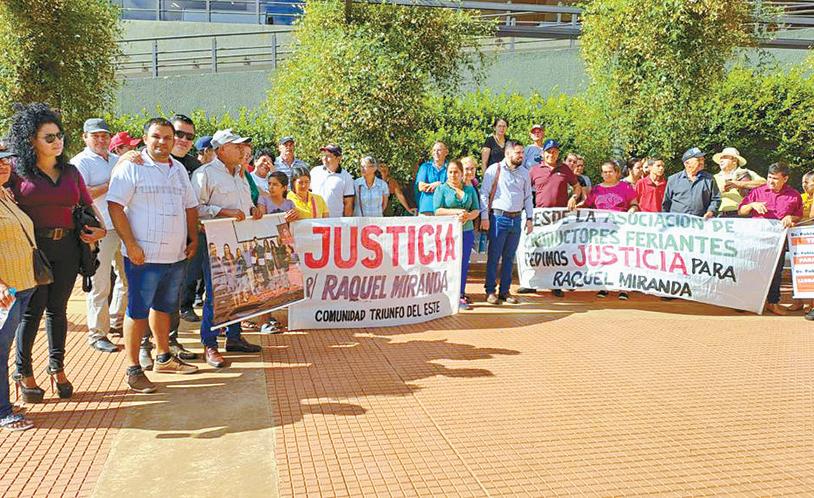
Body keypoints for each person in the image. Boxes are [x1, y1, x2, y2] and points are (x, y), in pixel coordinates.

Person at [6, 103, 107, 401]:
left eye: (59, 135)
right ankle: (23, 372)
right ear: (31, 140)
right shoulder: (16, 171)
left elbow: (88, 204)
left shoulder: (71, 172)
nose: (57, 141)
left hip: (68, 248)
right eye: (49, 137)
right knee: (32, 312)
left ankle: (57, 368)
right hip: (32, 250)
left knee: (57, 310)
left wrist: (101, 229)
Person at [107, 118, 201, 392]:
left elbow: (190, 206)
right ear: (145, 139)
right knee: (137, 311)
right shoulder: (131, 166)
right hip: (143, 257)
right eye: (156, 136)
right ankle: (133, 369)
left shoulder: (179, 169)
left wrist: (193, 237)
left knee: (164, 308)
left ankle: (163, 358)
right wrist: (130, 244)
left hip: (175, 255)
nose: (162, 142)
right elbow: (115, 206)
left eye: (168, 137)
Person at [192, 129, 265, 368]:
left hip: (242, 242)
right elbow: (195, 208)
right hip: (216, 242)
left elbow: (246, 204)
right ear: (222, 150)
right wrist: (223, 212)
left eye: (243, 146)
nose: (243, 150)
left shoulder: (241, 174)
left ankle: (234, 337)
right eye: (237, 146)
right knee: (217, 294)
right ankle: (209, 343)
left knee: (240, 290)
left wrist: (254, 209)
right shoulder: (204, 174)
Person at [71, 118, 126, 354]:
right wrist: (110, 184)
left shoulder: (116, 159)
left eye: (104, 135)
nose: (101, 140)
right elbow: (81, 195)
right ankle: (97, 334)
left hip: (123, 226)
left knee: (127, 278)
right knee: (100, 283)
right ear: (85, 137)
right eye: (95, 135)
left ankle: (117, 321)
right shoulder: (79, 162)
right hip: (99, 229)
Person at [0, 146, 37, 430]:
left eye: (5, 160)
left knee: (5, 348)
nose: (3, 165)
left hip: (22, 285)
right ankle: (3, 412)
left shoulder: (5, 194)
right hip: (6, 291)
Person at [737, 162, 803, 316]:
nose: (771, 181)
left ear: (785, 179)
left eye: (775, 178)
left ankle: (773, 302)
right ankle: (747, 301)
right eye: (769, 177)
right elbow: (741, 211)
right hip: (755, 240)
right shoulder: (757, 191)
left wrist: (790, 217)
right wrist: (752, 205)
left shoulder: (794, 195)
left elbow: (798, 215)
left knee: (776, 271)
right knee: (750, 269)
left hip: (778, 242)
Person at [525, 139, 583, 296]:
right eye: (549, 152)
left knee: (555, 251)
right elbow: (524, 189)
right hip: (540, 217)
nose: (552, 154)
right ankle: (532, 283)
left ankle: (554, 284)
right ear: (543, 153)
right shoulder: (534, 170)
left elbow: (577, 187)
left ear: (558, 153)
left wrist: (573, 197)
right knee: (536, 250)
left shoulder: (565, 169)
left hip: (559, 218)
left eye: (555, 152)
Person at [480, 141, 533, 305]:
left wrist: (529, 218)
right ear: (507, 153)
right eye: (518, 153)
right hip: (498, 218)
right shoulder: (494, 169)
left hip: (516, 219)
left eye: (522, 153)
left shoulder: (525, 173)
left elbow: (528, 197)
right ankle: (490, 291)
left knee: (509, 258)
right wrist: (484, 217)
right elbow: (484, 193)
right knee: (494, 256)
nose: (521, 156)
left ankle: (505, 291)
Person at [580, 161, 639, 300]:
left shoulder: (625, 187)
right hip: (601, 231)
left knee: (622, 257)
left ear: (617, 172)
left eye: (610, 171)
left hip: (621, 229)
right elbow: (587, 205)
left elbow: (634, 204)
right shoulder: (596, 189)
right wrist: (573, 207)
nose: (607, 174)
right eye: (604, 172)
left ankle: (623, 288)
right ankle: (604, 286)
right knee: (604, 257)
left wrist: (632, 210)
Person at [434, 160, 480, 310]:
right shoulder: (441, 189)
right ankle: (445, 294)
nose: (453, 175)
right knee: (448, 263)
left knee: (463, 263)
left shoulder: (470, 189)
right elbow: (437, 210)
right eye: (450, 172)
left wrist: (468, 216)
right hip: (448, 233)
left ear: (461, 173)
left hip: (466, 231)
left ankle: (460, 294)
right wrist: (456, 212)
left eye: (456, 172)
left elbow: (476, 210)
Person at [662, 147, 721, 218]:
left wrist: (711, 211)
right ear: (686, 163)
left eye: (702, 159)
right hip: (677, 222)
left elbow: (716, 199)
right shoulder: (673, 179)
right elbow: (666, 203)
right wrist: (665, 219)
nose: (702, 162)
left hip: (700, 221)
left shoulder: (709, 179)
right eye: (698, 160)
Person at [712, 147, 766, 217]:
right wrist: (718, 192)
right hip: (718, 216)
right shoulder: (714, 177)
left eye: (725, 157)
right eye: (721, 158)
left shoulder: (745, 173)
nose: (721, 160)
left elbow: (764, 183)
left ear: (734, 160)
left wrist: (740, 184)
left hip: (741, 214)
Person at [310, 144, 354, 217]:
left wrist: (346, 222)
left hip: (335, 221)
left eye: (328, 156)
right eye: (323, 155)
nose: (324, 158)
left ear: (338, 158)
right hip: (315, 219)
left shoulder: (346, 177)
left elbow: (348, 203)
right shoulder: (314, 172)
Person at [415, 141, 449, 215]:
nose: (436, 153)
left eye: (439, 150)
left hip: (445, 208)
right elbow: (421, 187)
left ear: (446, 152)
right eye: (434, 150)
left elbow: (454, 186)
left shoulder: (450, 167)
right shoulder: (425, 167)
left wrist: (439, 184)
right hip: (427, 208)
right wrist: (443, 186)